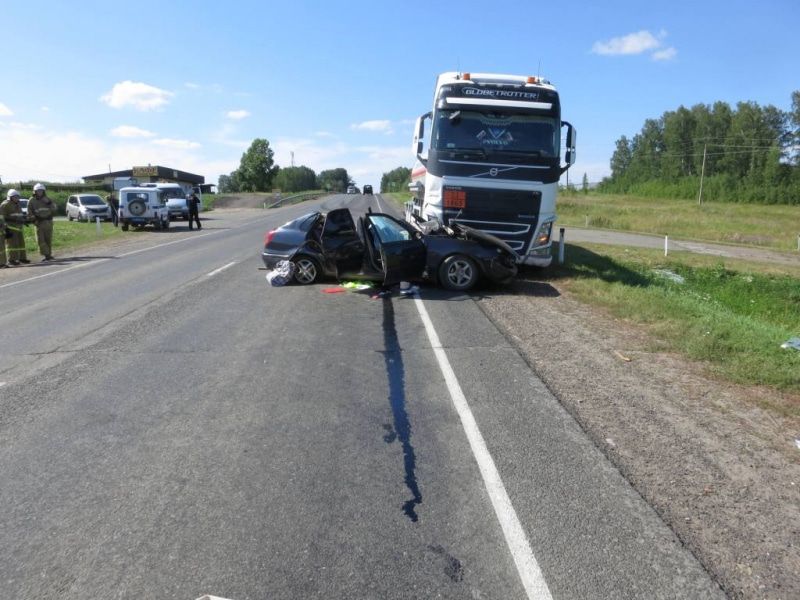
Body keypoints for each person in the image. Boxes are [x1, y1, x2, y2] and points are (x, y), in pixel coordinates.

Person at [0, 189, 30, 265]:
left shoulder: (18, 204)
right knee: (12, 245)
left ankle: (22, 258)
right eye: (15, 197)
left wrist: (24, 220)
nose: (17, 198)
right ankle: (11, 260)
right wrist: (6, 228)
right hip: (10, 227)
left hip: (19, 227)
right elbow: (2, 217)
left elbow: (19, 214)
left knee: (21, 244)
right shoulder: (5, 204)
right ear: (10, 197)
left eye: (17, 196)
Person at [27, 183, 56, 261]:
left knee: (48, 239)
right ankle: (45, 255)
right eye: (38, 191)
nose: (40, 192)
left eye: (41, 191)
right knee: (41, 240)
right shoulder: (31, 200)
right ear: (35, 191)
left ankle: (48, 255)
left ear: (44, 191)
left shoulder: (47, 199)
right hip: (39, 223)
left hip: (48, 222)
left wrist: (49, 203)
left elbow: (54, 209)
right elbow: (29, 212)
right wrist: (34, 220)